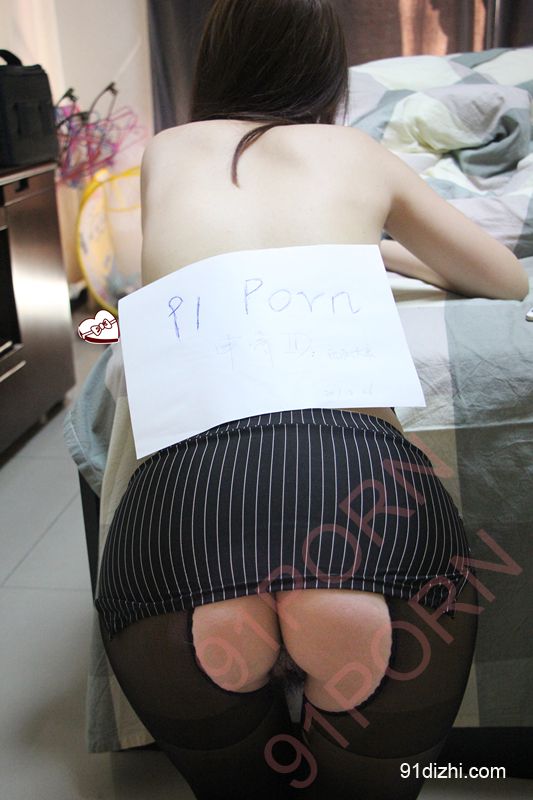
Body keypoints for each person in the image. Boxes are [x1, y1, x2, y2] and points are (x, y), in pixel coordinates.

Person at [94, 2, 529, 799]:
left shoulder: (167, 151)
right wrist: (379, 247)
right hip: (365, 499)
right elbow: (505, 278)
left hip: (188, 511)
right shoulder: (357, 152)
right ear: (329, 70)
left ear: (213, 60)